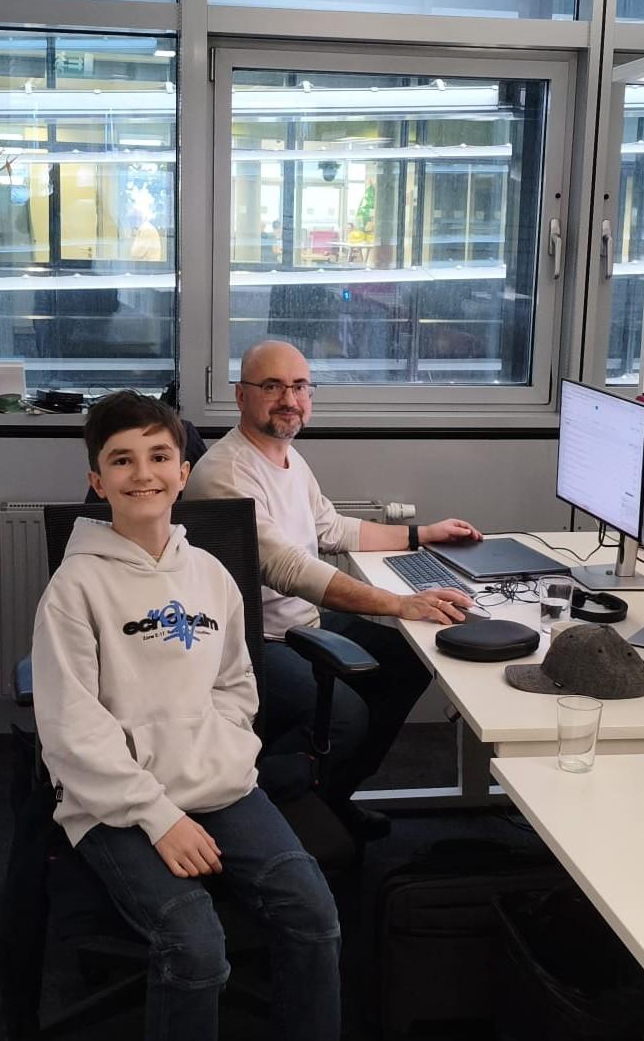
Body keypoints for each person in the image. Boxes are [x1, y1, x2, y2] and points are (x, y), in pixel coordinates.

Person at [32, 391, 396, 1041]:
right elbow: (72, 733)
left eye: (159, 456)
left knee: (312, 911)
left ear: (182, 468)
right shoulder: (74, 589)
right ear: (97, 480)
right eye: (122, 460)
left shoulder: (209, 575)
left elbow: (237, 683)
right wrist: (159, 816)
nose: (144, 473)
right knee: (194, 941)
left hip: (222, 786)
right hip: (116, 804)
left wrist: (225, 755)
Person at [186, 340, 480, 841]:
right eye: (272, 386)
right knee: (344, 717)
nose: (289, 400)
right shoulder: (226, 474)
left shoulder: (286, 458)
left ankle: (331, 799)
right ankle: (251, 817)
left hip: (301, 623)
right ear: (241, 395)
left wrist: (421, 535)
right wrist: (399, 603)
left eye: (299, 387)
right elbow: (289, 569)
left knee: (405, 664)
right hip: (256, 642)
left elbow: (331, 528)